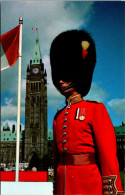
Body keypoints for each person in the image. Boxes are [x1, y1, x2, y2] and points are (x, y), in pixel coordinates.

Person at [50, 30, 124, 195]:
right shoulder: (58, 116)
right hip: (63, 184)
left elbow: (108, 156)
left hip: (88, 184)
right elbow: (57, 159)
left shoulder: (95, 109)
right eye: (59, 76)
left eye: (65, 75)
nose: (60, 81)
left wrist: (112, 190)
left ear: (77, 74)